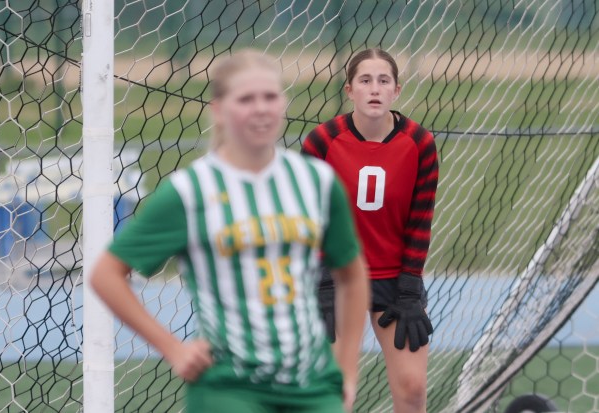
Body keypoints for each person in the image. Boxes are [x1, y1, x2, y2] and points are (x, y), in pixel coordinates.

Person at [90, 49, 369, 413]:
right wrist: (173, 349)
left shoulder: (315, 181)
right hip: (229, 388)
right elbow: (106, 274)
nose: (260, 109)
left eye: (270, 97)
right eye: (246, 99)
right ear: (219, 109)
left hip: (312, 386)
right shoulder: (190, 191)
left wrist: (346, 372)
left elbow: (352, 274)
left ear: (283, 103)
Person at [301, 48, 438, 413]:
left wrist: (410, 289)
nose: (374, 89)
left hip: (395, 282)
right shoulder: (321, 142)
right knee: (333, 394)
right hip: (337, 278)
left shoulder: (420, 144)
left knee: (412, 390)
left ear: (396, 90)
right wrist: (322, 283)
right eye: (365, 80)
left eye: (383, 81)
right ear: (350, 90)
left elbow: (420, 221)